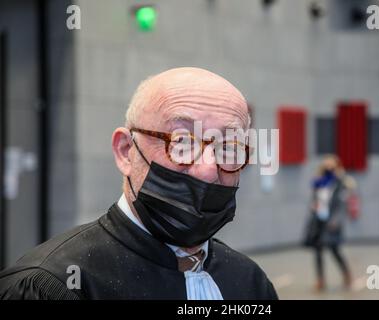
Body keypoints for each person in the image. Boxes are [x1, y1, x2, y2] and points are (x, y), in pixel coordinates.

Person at [0, 67, 278, 300]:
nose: (207, 170)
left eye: (228, 146)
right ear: (125, 151)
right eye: (182, 141)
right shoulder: (55, 286)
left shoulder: (250, 283)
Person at [304, 154, 356, 292]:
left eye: (331, 166)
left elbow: (342, 204)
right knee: (318, 250)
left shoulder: (341, 182)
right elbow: (314, 199)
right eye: (326, 166)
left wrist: (336, 220)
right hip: (318, 220)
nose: (328, 168)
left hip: (332, 221)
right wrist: (313, 206)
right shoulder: (318, 182)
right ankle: (320, 280)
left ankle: (347, 274)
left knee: (334, 250)